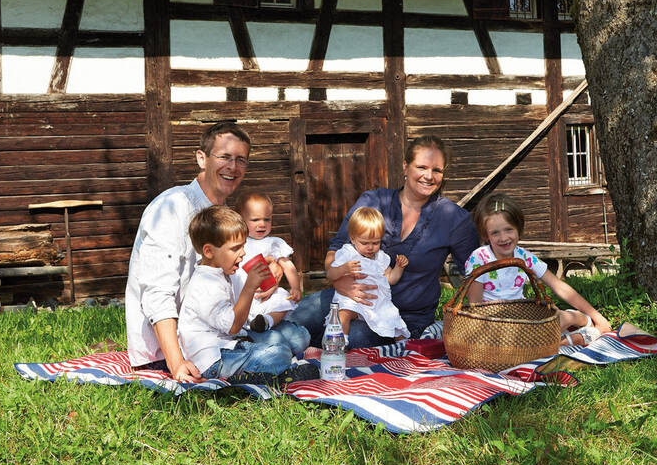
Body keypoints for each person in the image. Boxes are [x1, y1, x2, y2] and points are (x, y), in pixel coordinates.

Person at [287, 135, 481, 348]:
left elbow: (476, 272)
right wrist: (340, 283)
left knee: (353, 339)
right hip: (347, 299)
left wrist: (481, 321)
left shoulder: (454, 219)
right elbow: (335, 249)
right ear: (405, 166)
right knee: (296, 316)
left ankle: (304, 353)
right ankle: (278, 348)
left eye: (437, 170)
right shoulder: (374, 201)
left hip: (400, 316)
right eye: (421, 167)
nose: (429, 176)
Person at [124, 121, 256, 382]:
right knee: (278, 353)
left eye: (241, 159)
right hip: (169, 353)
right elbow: (157, 293)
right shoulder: (171, 207)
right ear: (201, 158)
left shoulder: (222, 214)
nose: (233, 167)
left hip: (215, 339)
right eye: (225, 157)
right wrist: (176, 363)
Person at [178, 206, 313, 384]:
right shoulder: (206, 284)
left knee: (295, 339)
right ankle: (258, 377)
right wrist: (250, 287)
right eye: (235, 248)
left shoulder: (221, 271)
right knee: (278, 353)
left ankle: (266, 374)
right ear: (209, 251)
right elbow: (233, 327)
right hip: (212, 360)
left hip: (227, 347)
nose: (243, 253)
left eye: (242, 246)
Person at [466, 195, 612, 345]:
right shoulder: (479, 259)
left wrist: (597, 316)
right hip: (493, 323)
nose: (503, 238)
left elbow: (560, 287)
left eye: (509, 229)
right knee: (528, 340)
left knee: (555, 321)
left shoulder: (524, 257)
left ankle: (579, 318)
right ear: (486, 235)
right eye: (495, 233)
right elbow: (475, 306)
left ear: (518, 229)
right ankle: (572, 339)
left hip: (522, 318)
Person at [327, 207, 409, 342]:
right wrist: (343, 269)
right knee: (343, 313)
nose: (370, 247)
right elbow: (330, 274)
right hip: (352, 300)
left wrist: (399, 267)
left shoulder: (381, 257)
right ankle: (338, 343)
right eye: (364, 243)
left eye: (376, 243)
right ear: (353, 239)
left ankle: (402, 345)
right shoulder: (348, 253)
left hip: (376, 303)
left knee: (392, 317)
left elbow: (390, 278)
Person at [235, 191, 301, 332]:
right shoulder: (236, 242)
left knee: (282, 298)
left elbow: (287, 265)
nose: (262, 224)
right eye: (255, 220)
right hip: (241, 296)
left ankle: (266, 321)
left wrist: (295, 287)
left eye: (267, 219)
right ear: (241, 220)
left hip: (266, 295)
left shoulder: (272, 243)